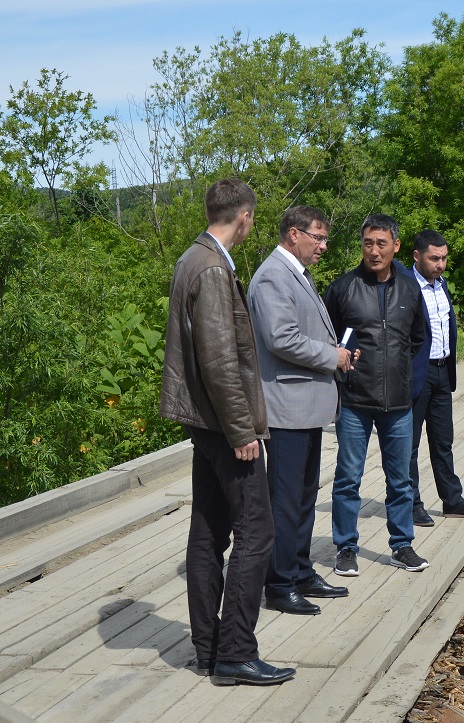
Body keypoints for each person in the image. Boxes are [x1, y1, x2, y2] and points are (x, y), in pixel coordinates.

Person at [160, 178, 294, 686]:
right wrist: (243, 430)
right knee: (256, 533)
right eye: (253, 218)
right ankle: (236, 651)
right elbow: (218, 361)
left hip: (203, 422)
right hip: (224, 425)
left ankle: (208, 648)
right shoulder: (213, 268)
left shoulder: (191, 258)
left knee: (209, 533)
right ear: (244, 217)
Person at [248, 206, 359, 616]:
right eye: (319, 237)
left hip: (306, 407)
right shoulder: (274, 275)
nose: (324, 246)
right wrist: (332, 355)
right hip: (286, 408)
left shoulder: (296, 272)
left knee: (304, 497)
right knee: (285, 499)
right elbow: (281, 339)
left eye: (325, 238)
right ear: (294, 234)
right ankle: (278, 583)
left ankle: (299, 570)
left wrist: (340, 353)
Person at [322, 213, 430, 575]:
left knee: (400, 479)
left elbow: (419, 339)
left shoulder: (410, 289)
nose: (374, 250)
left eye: (381, 243)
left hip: (399, 403)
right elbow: (327, 341)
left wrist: (408, 383)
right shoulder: (343, 288)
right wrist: (342, 375)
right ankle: (345, 548)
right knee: (348, 478)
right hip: (354, 402)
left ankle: (402, 545)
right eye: (368, 243)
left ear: (396, 246)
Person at [404, 230, 464, 527]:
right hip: (416, 375)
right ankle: (411, 505)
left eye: (444, 258)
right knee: (409, 446)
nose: (440, 264)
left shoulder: (442, 286)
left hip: (441, 372)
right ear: (417, 256)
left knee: (443, 441)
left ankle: (453, 501)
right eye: (434, 258)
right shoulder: (405, 287)